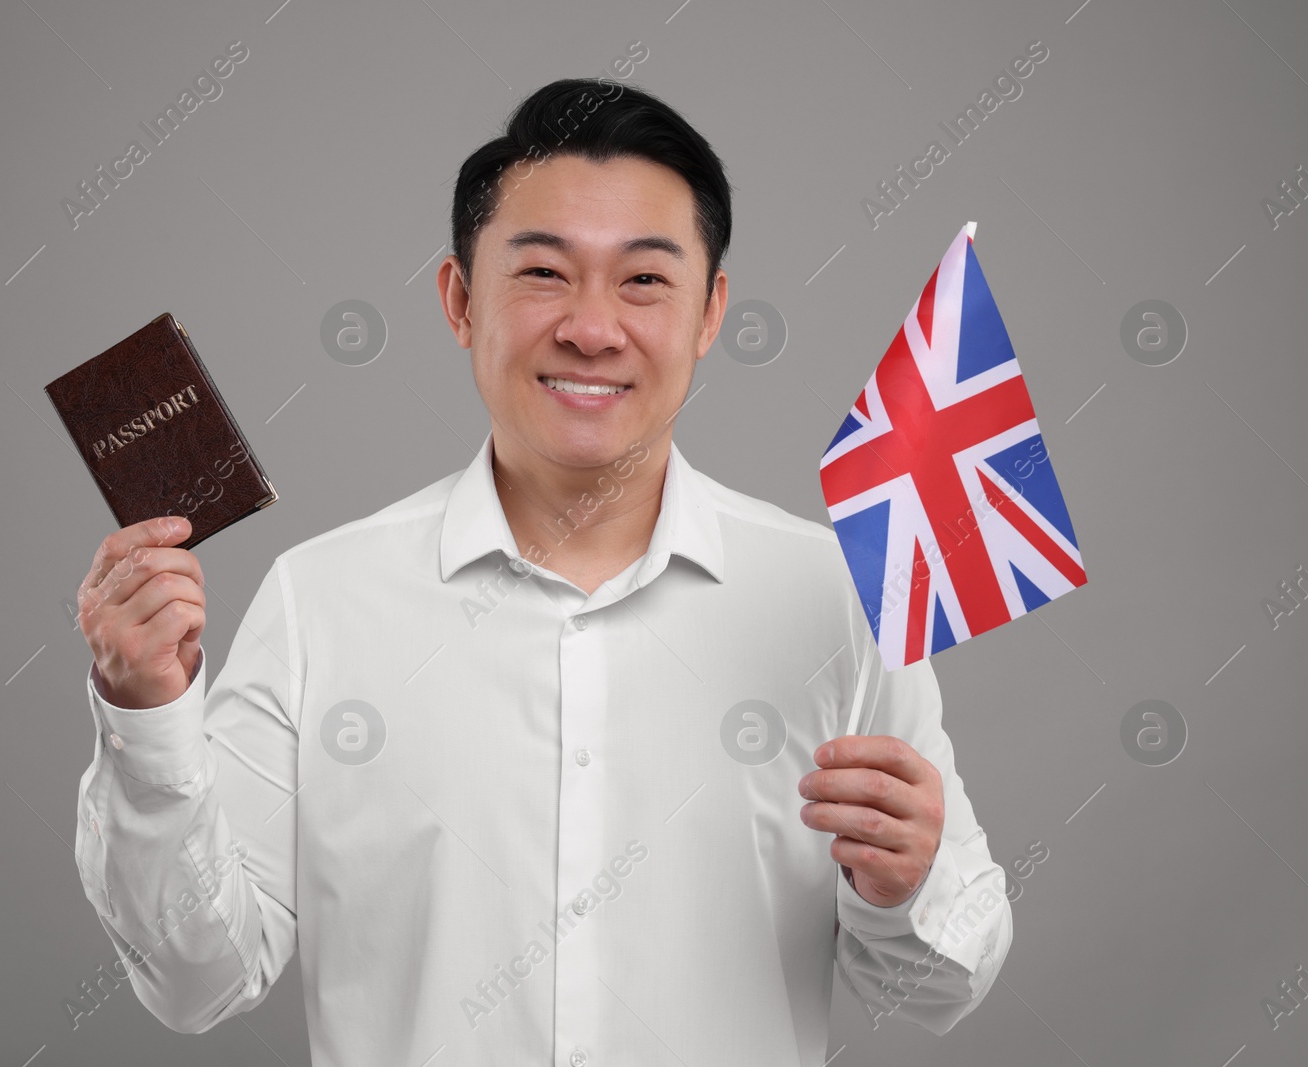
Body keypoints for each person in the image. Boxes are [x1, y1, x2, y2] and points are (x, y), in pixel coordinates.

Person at [72, 77, 1011, 1064]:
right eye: (543, 274)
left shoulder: (837, 601)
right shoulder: (322, 603)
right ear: (459, 301)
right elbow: (195, 980)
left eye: (644, 279)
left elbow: (935, 990)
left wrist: (910, 885)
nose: (593, 328)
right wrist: (146, 719)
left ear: (708, 313)